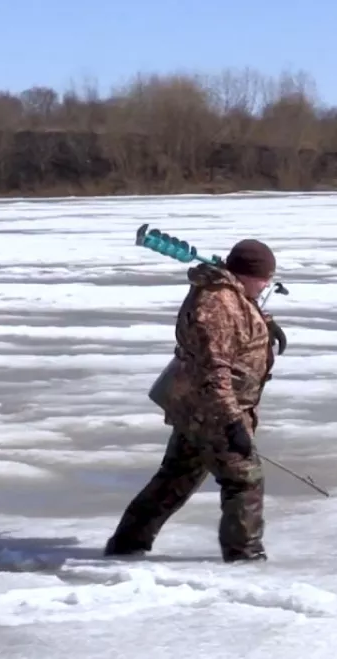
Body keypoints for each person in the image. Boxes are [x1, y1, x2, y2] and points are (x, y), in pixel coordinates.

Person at [103, 238, 286, 563]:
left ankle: (127, 544)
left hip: (205, 408)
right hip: (211, 409)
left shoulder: (234, 294)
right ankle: (245, 557)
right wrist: (232, 423)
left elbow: (242, 317)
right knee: (244, 478)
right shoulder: (215, 304)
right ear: (245, 274)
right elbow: (212, 371)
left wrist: (267, 324)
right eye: (263, 278)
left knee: (176, 477)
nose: (267, 284)